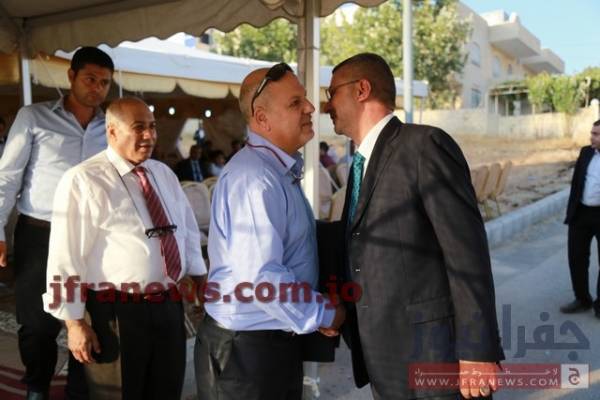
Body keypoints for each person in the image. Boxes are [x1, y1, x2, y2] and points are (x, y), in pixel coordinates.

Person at [324, 53, 504, 400]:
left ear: (361, 90)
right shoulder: (361, 163)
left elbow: (467, 254)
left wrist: (477, 351)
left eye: (332, 93)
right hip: (385, 359)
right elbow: (358, 245)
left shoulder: (425, 146)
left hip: (434, 358)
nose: (326, 105)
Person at [194, 63, 345, 400]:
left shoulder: (272, 171)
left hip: (266, 344)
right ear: (262, 119)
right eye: (295, 103)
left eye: (305, 99)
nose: (310, 108)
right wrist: (324, 313)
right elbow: (263, 279)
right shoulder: (255, 179)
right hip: (246, 355)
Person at [42, 97, 207, 399]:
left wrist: (199, 276)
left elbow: (187, 229)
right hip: (114, 312)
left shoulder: (163, 173)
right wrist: (74, 323)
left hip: (168, 304)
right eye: (139, 127)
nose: (149, 136)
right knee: (119, 392)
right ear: (112, 131)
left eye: (152, 127)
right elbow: (65, 257)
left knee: (166, 388)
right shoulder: (83, 179)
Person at [0, 46, 114, 400]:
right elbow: (6, 177)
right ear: (71, 76)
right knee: (37, 323)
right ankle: (37, 387)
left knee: (92, 316)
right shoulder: (33, 117)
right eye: (90, 79)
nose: (97, 88)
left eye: (104, 82)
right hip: (41, 233)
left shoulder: (112, 125)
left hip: (94, 237)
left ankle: (82, 388)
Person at [562, 119, 600, 318]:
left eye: (596, 134)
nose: (591, 137)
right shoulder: (586, 153)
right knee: (576, 257)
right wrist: (571, 213)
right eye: (592, 133)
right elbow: (576, 184)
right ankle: (582, 299)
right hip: (582, 213)